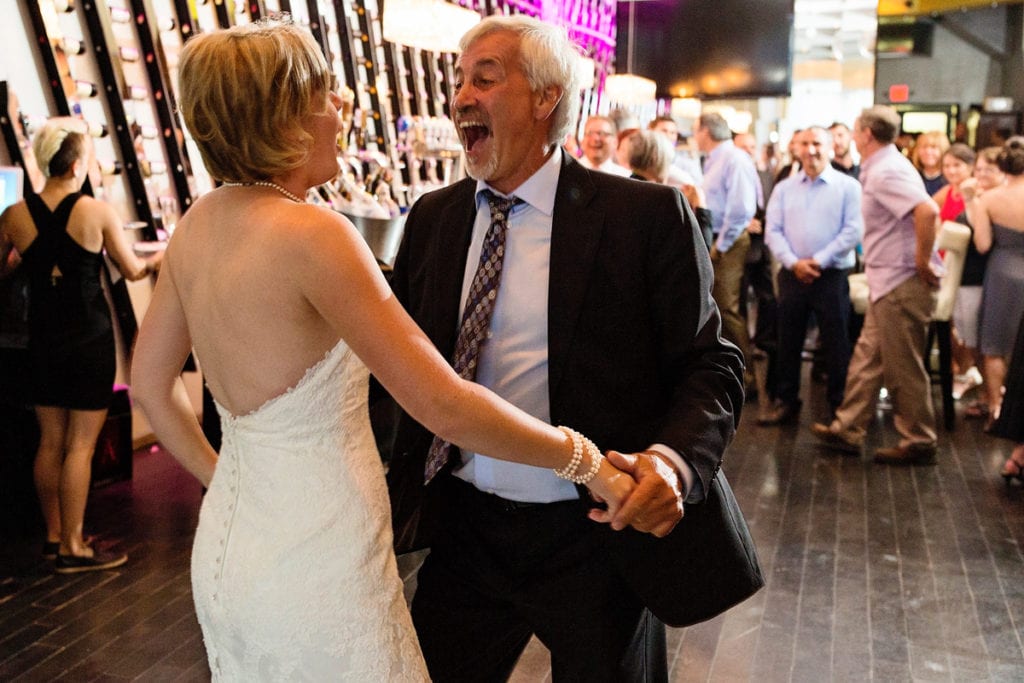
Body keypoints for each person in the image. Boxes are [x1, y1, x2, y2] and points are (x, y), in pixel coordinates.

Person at [129, 19, 634, 680]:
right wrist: (584, 458)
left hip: (235, 544)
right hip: (320, 555)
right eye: (324, 95)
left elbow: (148, 384)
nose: (339, 110)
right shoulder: (317, 235)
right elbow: (442, 403)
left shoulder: (198, 222)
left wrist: (221, 476)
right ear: (284, 116)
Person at [383, 15, 744, 681]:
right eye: (458, 81)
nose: (460, 97)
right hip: (466, 525)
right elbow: (400, 367)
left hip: (596, 532)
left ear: (546, 96)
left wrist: (670, 466)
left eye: (484, 80)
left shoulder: (645, 218)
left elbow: (710, 363)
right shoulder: (434, 219)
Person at [0, 118, 158, 572]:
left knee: (50, 441)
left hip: (40, 341)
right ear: (75, 164)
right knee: (80, 447)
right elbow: (130, 270)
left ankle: (53, 536)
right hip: (87, 341)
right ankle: (74, 545)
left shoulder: (15, 215)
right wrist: (158, 260)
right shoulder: (96, 211)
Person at [811, 105, 941, 464]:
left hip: (901, 280)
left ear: (867, 134)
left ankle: (919, 440)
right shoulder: (883, 165)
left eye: (854, 130)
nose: (851, 136)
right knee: (868, 358)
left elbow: (927, 210)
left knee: (903, 366)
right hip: (888, 281)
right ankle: (847, 428)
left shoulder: (885, 170)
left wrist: (922, 259)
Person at [762, 126, 863, 424]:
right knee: (788, 340)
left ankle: (839, 406)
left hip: (831, 274)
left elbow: (853, 230)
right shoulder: (784, 188)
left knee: (836, 342)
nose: (811, 149)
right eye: (805, 143)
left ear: (830, 147)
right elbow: (773, 230)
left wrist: (816, 261)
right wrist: (794, 263)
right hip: (792, 273)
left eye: (817, 143)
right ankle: (786, 400)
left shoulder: (848, 187)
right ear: (797, 148)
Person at [694, 112, 760, 374]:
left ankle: (747, 375)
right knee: (720, 307)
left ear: (706, 132)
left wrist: (720, 246)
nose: (694, 136)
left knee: (727, 309)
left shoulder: (733, 158)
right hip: (720, 239)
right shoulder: (715, 159)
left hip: (729, 241)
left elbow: (742, 209)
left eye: (696, 130)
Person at [965, 136, 1024, 428]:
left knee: (995, 345)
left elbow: (983, 244)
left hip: (1003, 273)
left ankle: (997, 410)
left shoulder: (988, 199)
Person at [955, 146, 1005, 416]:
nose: (983, 174)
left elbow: (981, 238)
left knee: (986, 342)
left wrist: (971, 199)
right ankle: (989, 394)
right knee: (971, 340)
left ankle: (994, 397)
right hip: (967, 275)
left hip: (984, 276)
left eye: (990, 169)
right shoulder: (978, 196)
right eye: (980, 168)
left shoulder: (995, 200)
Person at [911, 130, 950, 196]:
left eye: (933, 147)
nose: (928, 152)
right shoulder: (912, 176)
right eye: (924, 147)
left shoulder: (949, 178)